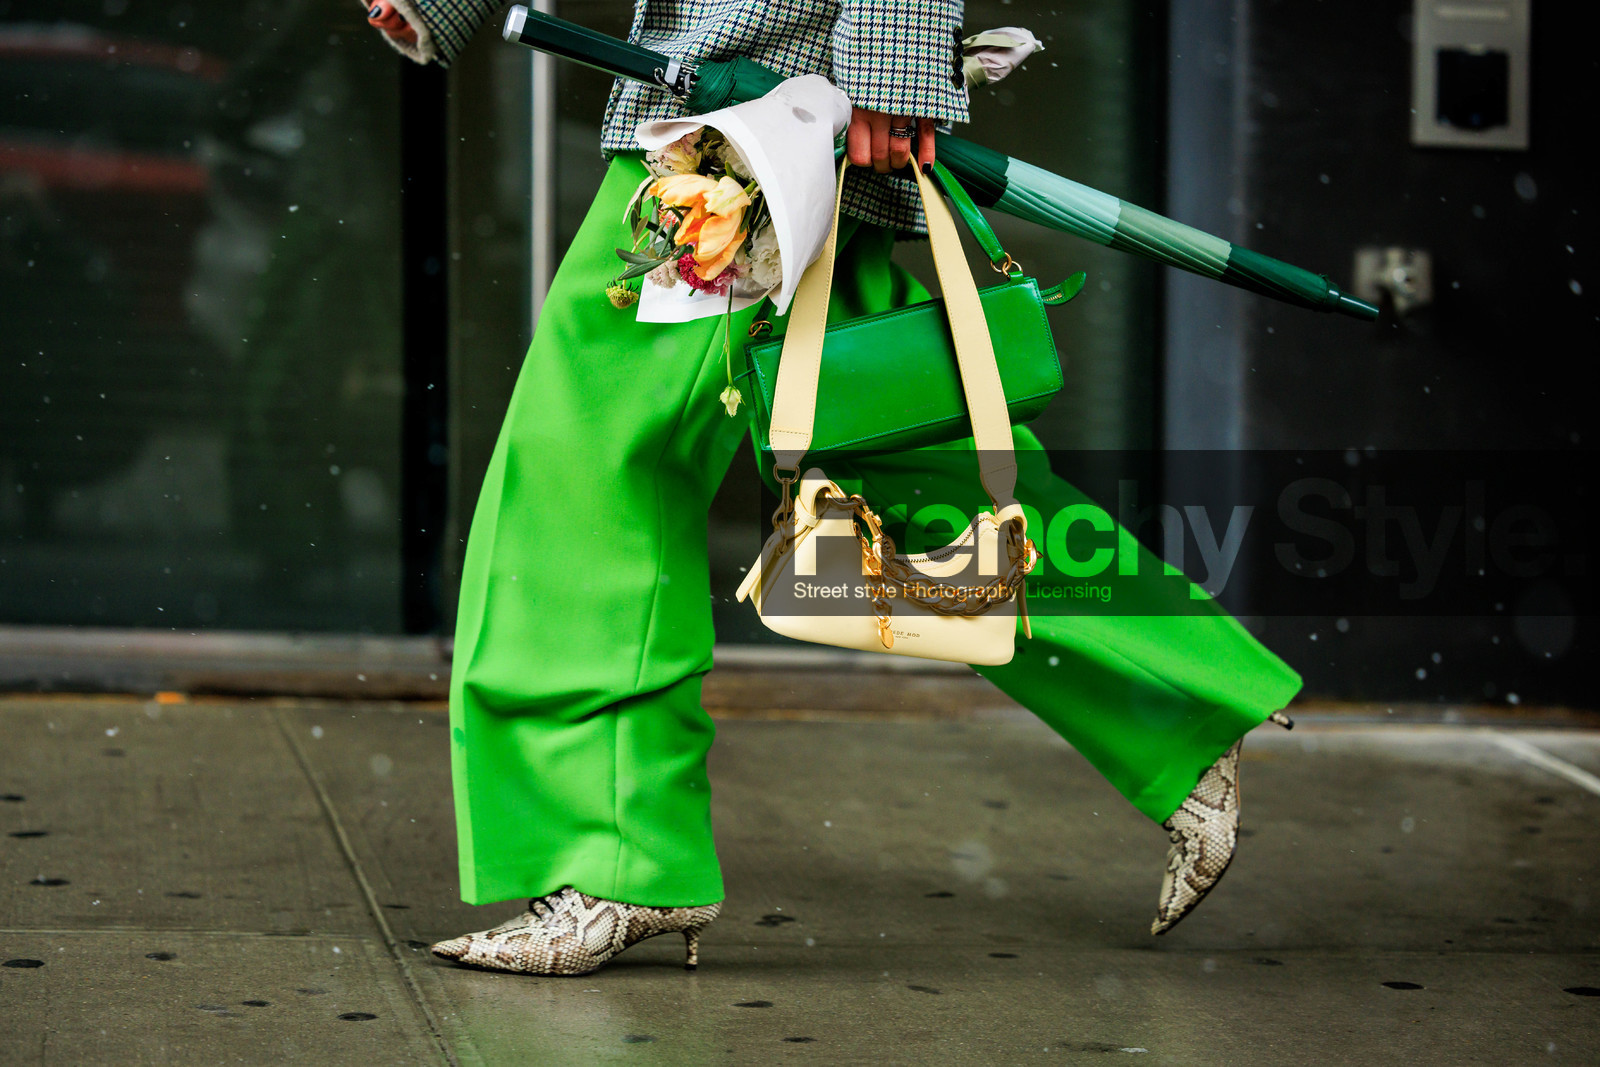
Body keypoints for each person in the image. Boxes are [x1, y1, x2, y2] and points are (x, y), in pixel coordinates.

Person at [362, 0, 1301, 977]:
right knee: (885, 450)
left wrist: (891, 73)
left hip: (753, 123)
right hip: (774, 101)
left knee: (586, 479)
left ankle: (616, 852)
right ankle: (1180, 692)